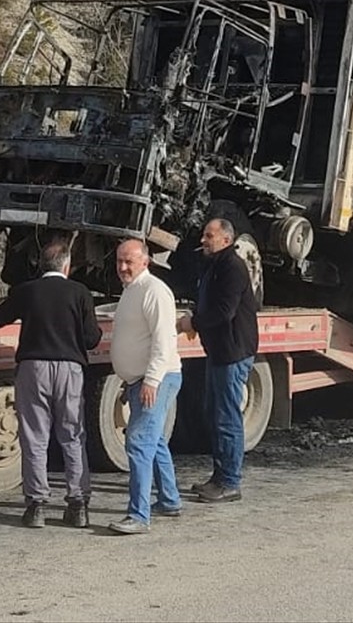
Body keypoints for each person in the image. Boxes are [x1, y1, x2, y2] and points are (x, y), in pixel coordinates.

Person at [0, 240, 101, 529]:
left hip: (33, 369)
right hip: (70, 369)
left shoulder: (26, 292)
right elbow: (92, 338)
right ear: (67, 266)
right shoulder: (80, 293)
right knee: (72, 435)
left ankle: (36, 506)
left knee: (34, 437)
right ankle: (78, 504)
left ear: (40, 265)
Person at [177, 218, 260, 504]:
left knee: (226, 417)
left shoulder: (233, 267)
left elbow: (224, 311)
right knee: (215, 413)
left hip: (232, 353)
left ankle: (230, 482)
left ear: (226, 239)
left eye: (209, 236)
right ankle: (219, 476)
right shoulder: (215, 265)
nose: (203, 240)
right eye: (203, 234)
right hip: (220, 351)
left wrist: (193, 322)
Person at [107, 239, 184, 535]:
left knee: (138, 443)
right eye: (119, 262)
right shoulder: (131, 291)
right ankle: (169, 499)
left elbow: (164, 341)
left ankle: (139, 516)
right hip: (140, 379)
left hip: (158, 378)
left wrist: (151, 380)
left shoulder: (154, 291)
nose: (123, 267)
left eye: (129, 262)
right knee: (154, 441)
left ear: (145, 262)